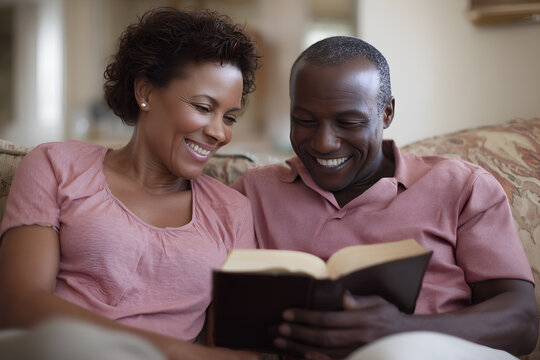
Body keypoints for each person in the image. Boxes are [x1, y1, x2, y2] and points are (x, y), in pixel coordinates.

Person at [232, 36, 538, 359]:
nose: (323, 143)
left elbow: (522, 322)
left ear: (387, 113)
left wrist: (401, 328)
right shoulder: (253, 191)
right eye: (305, 121)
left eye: (348, 122)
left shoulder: (463, 186)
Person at [0, 7, 260, 360]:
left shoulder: (233, 211)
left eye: (229, 117)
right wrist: (168, 351)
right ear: (145, 92)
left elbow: (232, 348)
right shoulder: (55, 166)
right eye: (202, 107)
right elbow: (18, 303)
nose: (219, 132)